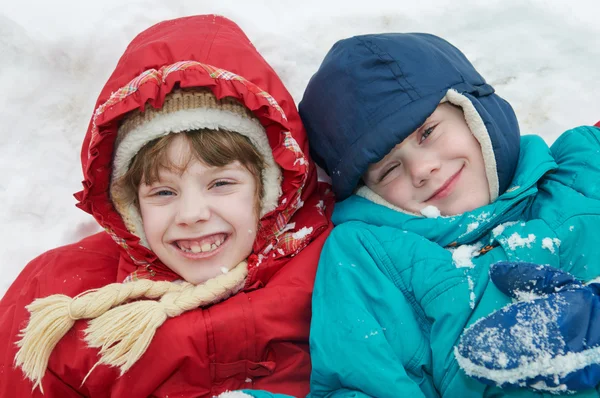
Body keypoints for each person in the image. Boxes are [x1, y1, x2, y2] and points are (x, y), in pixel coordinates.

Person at [0, 15, 333, 398]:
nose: (192, 214)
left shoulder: (335, 265)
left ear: (270, 188)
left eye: (221, 183)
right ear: (128, 205)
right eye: (162, 192)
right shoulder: (59, 298)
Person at [298, 32, 600, 397]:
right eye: (388, 169)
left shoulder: (585, 166)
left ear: (474, 113)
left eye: (427, 132)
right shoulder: (369, 259)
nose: (422, 169)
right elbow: (359, 384)